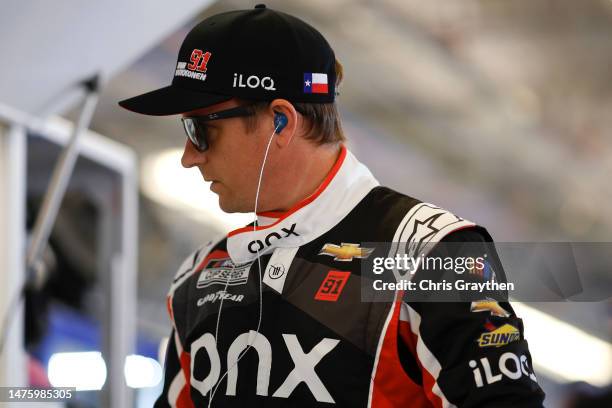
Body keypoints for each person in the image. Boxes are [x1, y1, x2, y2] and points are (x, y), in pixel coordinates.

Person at [119, 4, 545, 407]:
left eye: (199, 129)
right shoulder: (199, 276)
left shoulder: (433, 253)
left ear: (280, 121)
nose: (189, 156)